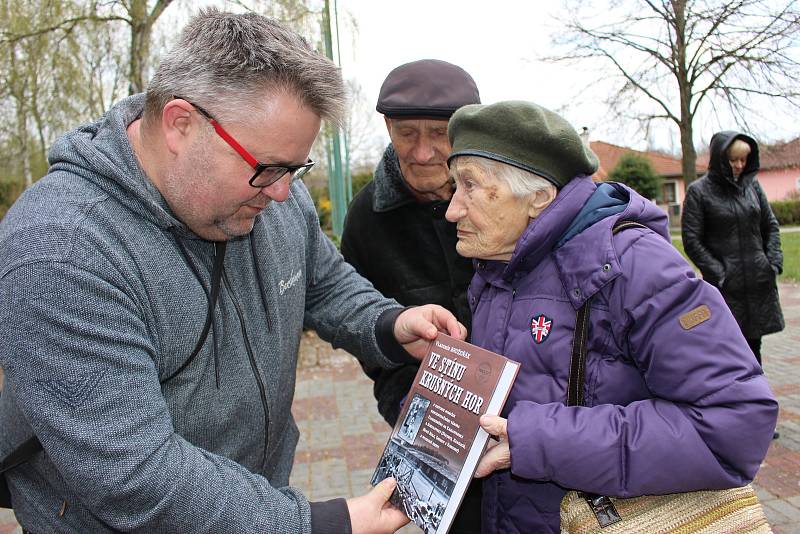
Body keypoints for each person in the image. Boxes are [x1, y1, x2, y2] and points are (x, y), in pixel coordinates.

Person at [0, 10, 466, 534]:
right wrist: (321, 524)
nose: (283, 193)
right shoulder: (63, 250)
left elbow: (323, 282)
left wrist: (390, 325)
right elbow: (133, 473)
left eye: (295, 169)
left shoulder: (273, 193)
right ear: (181, 125)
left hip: (255, 505)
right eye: (267, 168)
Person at [441, 101, 778, 533]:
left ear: (539, 198)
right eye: (455, 186)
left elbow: (733, 424)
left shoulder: (635, 264)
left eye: (470, 187)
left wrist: (537, 440)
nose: (452, 209)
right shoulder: (497, 266)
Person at [340, 60, 482, 533]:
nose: (422, 152)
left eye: (439, 134)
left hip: (530, 426)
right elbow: (367, 335)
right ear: (386, 127)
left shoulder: (506, 201)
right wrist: (407, 406)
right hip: (435, 432)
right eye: (406, 133)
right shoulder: (365, 221)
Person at [681, 132, 784, 368]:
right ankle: (735, 397)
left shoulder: (752, 187)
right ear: (720, 158)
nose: (739, 165)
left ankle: (755, 396)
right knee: (728, 347)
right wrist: (720, 272)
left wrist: (773, 262)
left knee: (754, 346)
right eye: (733, 160)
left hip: (758, 281)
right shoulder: (699, 192)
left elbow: (771, 225)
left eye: (743, 160)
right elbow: (692, 240)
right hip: (726, 288)